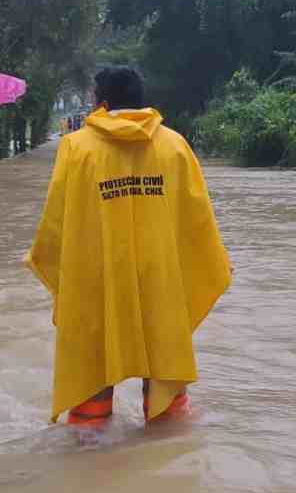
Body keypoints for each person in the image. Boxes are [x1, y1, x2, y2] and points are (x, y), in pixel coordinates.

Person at [25, 66, 231, 433]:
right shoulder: (174, 144)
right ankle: (167, 438)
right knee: (167, 381)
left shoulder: (76, 147)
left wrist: (52, 265)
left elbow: (58, 221)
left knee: (92, 373)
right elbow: (196, 221)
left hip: (98, 277)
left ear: (100, 101)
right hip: (161, 278)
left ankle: (92, 447)